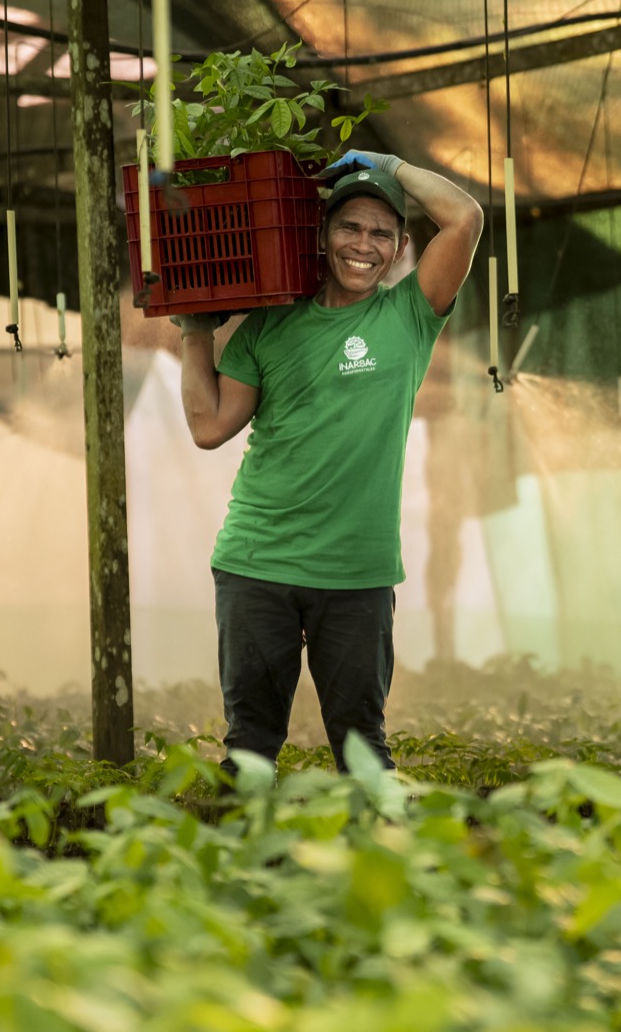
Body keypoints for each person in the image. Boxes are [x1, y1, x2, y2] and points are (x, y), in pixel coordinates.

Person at [174, 149, 484, 773]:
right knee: (251, 748)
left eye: (381, 234)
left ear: (400, 249)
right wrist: (194, 333)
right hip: (257, 563)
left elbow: (464, 217)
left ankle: (371, 867)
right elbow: (209, 428)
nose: (363, 245)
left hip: (357, 576)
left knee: (363, 749)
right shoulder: (270, 325)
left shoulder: (410, 315)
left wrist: (393, 165)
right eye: (349, 227)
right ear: (322, 235)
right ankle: (243, 867)